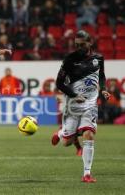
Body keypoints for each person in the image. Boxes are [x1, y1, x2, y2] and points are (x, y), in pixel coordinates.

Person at [51, 30, 110, 183]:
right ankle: (61, 133)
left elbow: (101, 76)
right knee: (67, 142)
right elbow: (59, 83)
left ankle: (87, 174)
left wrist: (103, 89)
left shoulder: (99, 58)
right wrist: (74, 95)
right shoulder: (70, 60)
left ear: (90, 42)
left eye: (82, 45)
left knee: (89, 135)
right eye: (77, 45)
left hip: (90, 104)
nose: (79, 48)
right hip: (72, 105)